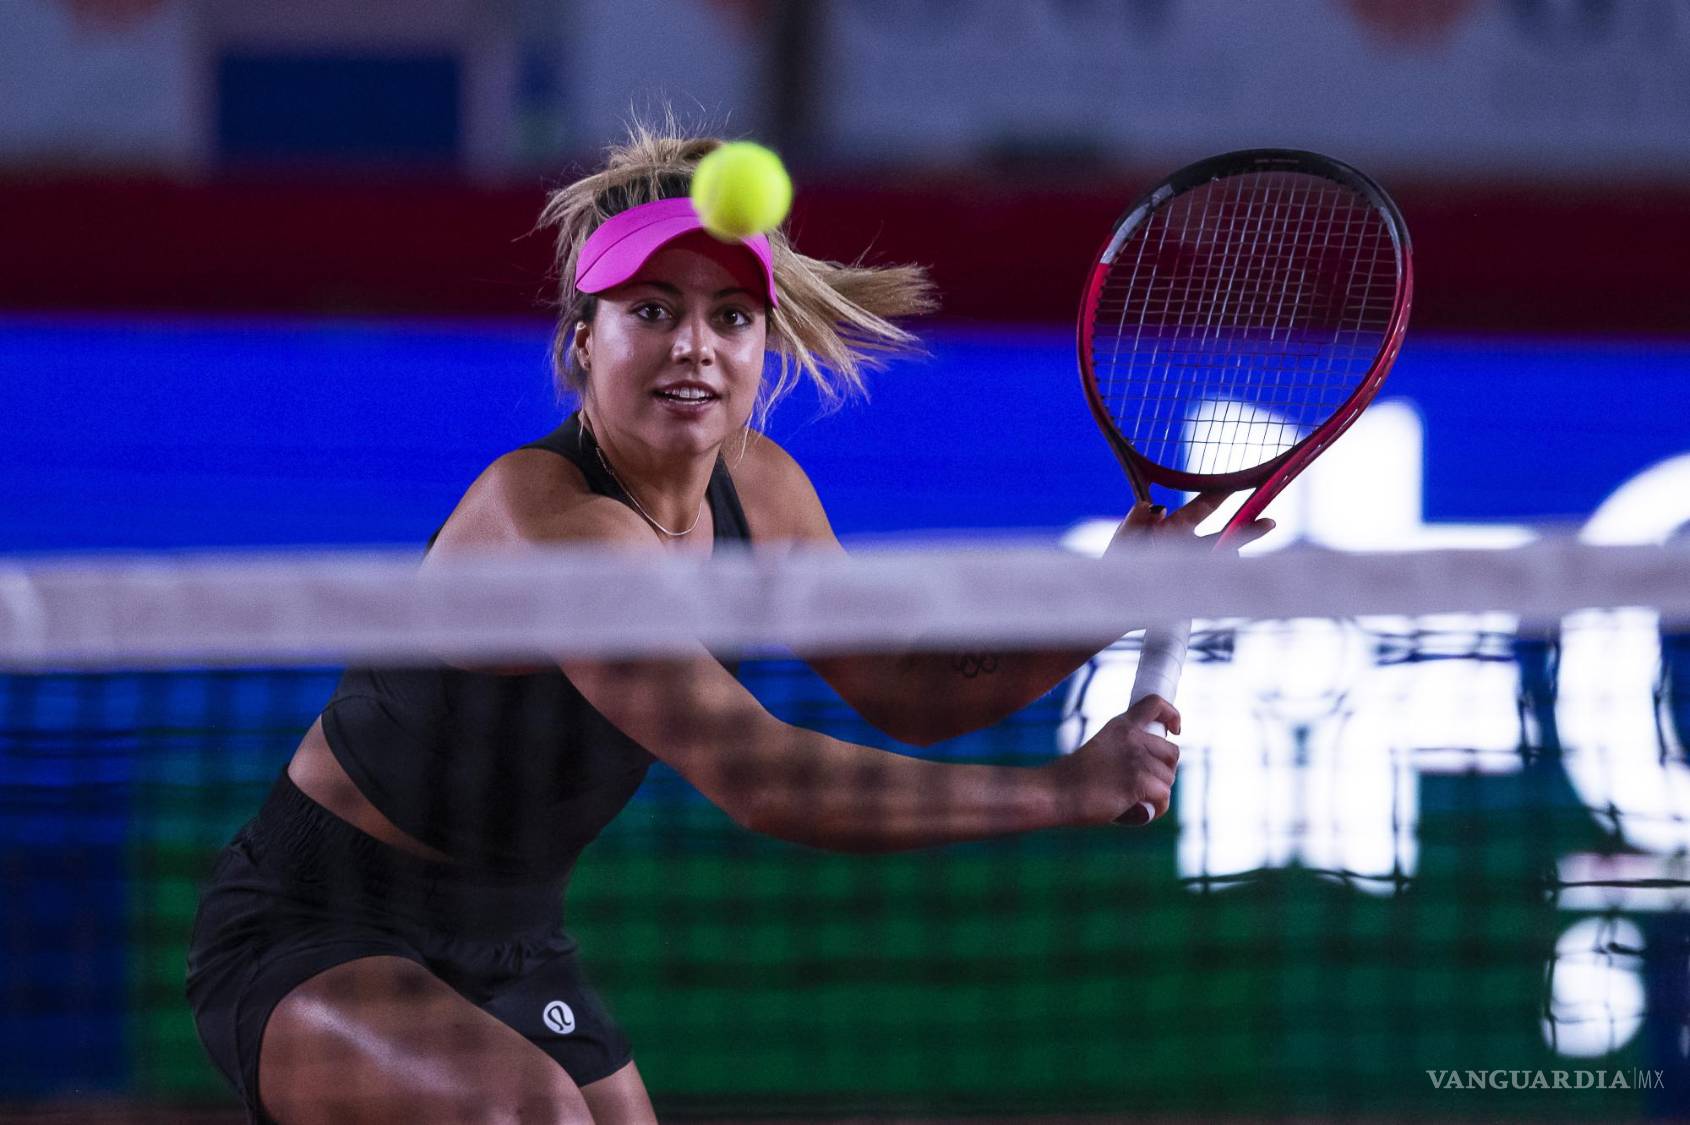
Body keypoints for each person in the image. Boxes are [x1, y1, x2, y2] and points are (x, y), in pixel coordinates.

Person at [186, 123, 1266, 1125]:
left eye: (731, 317)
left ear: (763, 347)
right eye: (652, 311)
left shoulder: (761, 489)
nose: (694, 346)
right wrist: (1059, 792)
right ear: (584, 341)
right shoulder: (550, 521)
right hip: (314, 923)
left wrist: (1108, 600)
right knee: (524, 1113)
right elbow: (767, 780)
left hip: (513, 932)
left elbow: (914, 690)